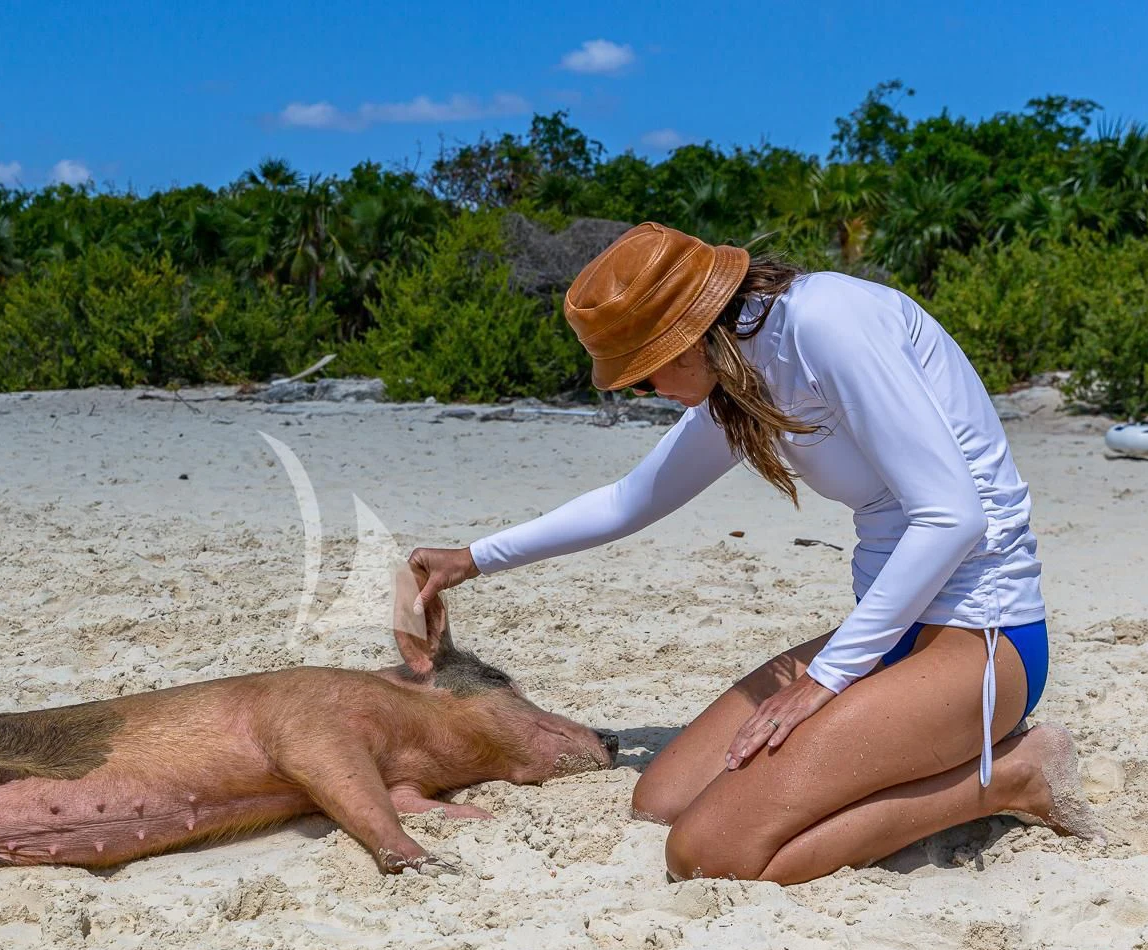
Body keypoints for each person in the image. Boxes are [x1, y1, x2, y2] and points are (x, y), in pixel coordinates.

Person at [407, 223, 1101, 885]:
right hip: (896, 630)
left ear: (686, 342)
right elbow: (631, 500)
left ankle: (1013, 775)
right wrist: (469, 559)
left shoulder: (830, 324)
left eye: (643, 376)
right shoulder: (741, 368)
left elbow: (953, 516)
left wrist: (825, 679)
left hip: (982, 637)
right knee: (662, 800)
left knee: (710, 851)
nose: (648, 392)